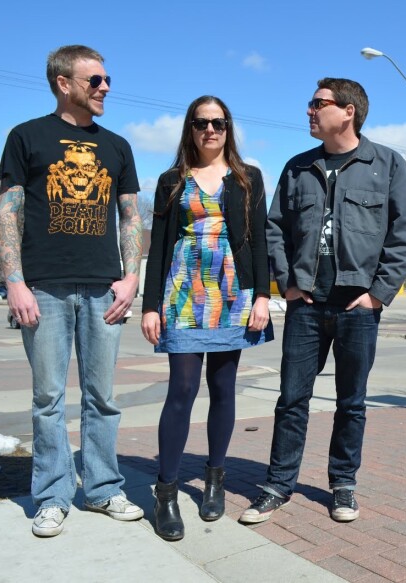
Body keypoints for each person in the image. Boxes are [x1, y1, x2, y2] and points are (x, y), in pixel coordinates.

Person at [239, 78, 406, 525]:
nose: (309, 111)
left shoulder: (387, 164)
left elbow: (404, 235)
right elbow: (274, 228)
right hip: (307, 304)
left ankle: (342, 485)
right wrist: (287, 282)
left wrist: (377, 295)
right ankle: (278, 484)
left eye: (318, 103)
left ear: (348, 111)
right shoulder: (298, 167)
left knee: (351, 402)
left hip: (357, 307)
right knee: (291, 399)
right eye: (311, 103)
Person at [0, 45, 144, 537]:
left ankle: (102, 490)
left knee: (103, 397)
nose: (105, 88)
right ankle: (54, 496)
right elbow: (8, 211)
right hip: (44, 288)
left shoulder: (118, 146)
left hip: (105, 288)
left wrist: (132, 275)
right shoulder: (27, 137)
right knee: (49, 399)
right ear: (64, 83)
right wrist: (14, 282)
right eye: (95, 80)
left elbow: (130, 215)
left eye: (107, 80)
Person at [141, 96, 273, 541]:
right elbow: (159, 244)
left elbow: (258, 242)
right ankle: (167, 492)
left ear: (228, 128)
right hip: (182, 293)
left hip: (233, 294)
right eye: (201, 123)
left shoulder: (247, 177)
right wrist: (150, 305)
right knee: (181, 389)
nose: (210, 130)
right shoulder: (170, 180)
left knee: (222, 388)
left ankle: (215, 478)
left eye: (218, 123)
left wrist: (260, 297)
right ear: (190, 129)